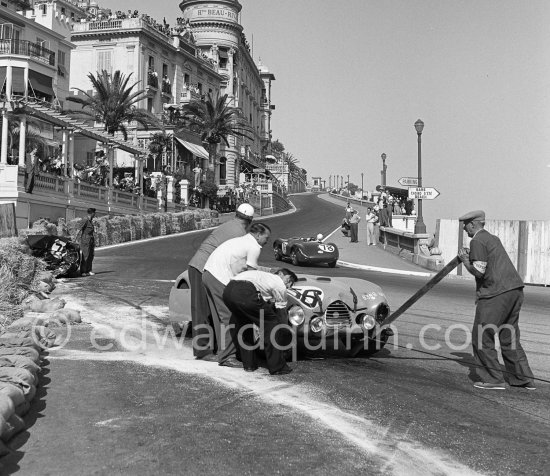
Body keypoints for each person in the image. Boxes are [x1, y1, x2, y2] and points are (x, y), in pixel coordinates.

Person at [458, 210, 535, 390]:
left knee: (482, 335)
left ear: (473, 224)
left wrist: (465, 260)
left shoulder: (477, 240)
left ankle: (493, 379)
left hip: (495, 294)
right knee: (509, 336)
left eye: (465, 224)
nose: (464, 228)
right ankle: (523, 379)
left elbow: (479, 271)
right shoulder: (492, 238)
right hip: (515, 291)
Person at [187, 203, 254, 360]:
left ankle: (217, 348)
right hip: (201, 267)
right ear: (250, 221)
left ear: (236, 214)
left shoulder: (229, 224)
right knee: (203, 311)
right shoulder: (240, 234)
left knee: (213, 310)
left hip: (201, 265)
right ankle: (203, 351)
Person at [202, 223, 271, 367]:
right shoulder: (254, 246)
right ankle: (227, 357)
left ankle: (226, 352)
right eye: (266, 238)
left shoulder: (240, 240)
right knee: (229, 318)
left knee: (222, 317)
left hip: (208, 273)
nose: (267, 241)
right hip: (219, 277)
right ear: (258, 235)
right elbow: (251, 274)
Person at [223, 268, 298, 375]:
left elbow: (260, 304)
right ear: (282, 275)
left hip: (228, 292)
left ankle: (249, 364)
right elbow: (281, 313)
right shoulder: (279, 283)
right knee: (272, 324)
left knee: (245, 324)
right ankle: (277, 366)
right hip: (245, 292)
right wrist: (284, 332)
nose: (289, 285)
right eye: (290, 281)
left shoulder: (262, 277)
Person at [77, 208, 96, 277]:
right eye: (94, 213)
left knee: (91, 255)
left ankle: (89, 270)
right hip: (85, 239)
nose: (95, 215)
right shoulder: (85, 220)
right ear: (92, 213)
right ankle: (83, 271)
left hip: (91, 239)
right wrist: (75, 239)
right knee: (85, 255)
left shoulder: (91, 221)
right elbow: (79, 229)